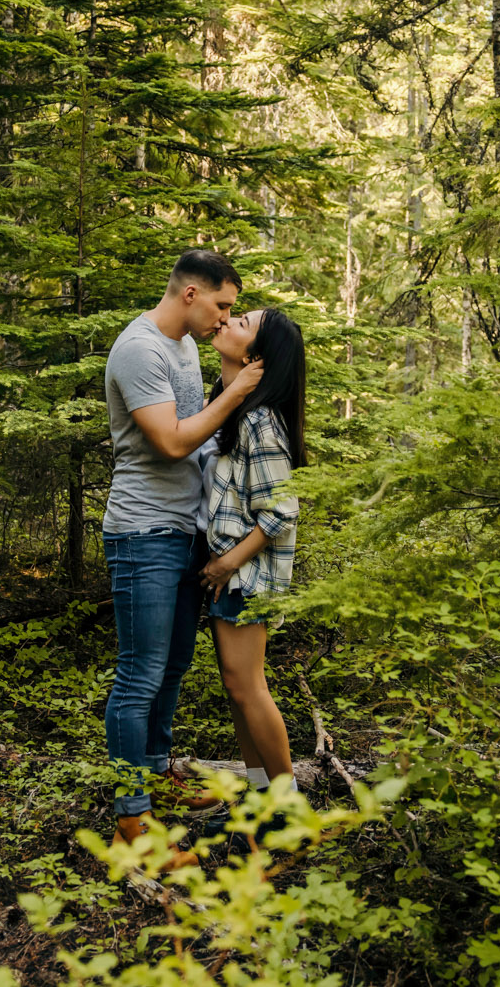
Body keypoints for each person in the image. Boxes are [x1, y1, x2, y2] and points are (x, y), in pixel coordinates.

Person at [102, 249, 264, 861]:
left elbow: (200, 433)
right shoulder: (140, 348)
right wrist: (241, 386)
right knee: (139, 674)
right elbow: (171, 441)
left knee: (171, 668)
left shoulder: (188, 346)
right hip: (142, 533)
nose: (225, 319)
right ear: (191, 293)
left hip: (183, 530)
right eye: (222, 305)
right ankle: (132, 824)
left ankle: (156, 774)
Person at [200, 306, 305, 835]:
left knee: (249, 687)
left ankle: (286, 805)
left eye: (241, 321)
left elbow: (282, 509)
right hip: (232, 572)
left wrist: (228, 562)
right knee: (236, 686)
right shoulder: (234, 409)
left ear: (254, 356)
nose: (226, 320)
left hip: (247, 575)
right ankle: (261, 796)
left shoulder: (260, 420)